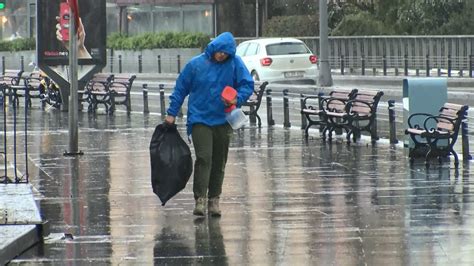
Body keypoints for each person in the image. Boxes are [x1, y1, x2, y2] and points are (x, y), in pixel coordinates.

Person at [165, 32, 254, 217]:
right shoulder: (196, 65)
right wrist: (171, 113)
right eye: (220, 51)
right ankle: (200, 199)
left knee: (219, 161)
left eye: (226, 53)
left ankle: (214, 199)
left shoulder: (235, 64)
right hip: (200, 119)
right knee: (204, 157)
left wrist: (237, 98)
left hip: (224, 119)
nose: (221, 55)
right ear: (214, 47)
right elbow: (180, 88)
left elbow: (247, 84)